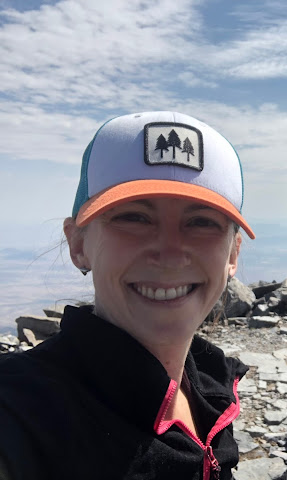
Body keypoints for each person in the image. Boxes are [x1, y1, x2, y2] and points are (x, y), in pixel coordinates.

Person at [0, 111, 256, 480]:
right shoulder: (23, 410)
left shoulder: (212, 388)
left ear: (232, 254)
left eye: (201, 222)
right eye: (133, 217)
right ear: (78, 244)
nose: (170, 253)